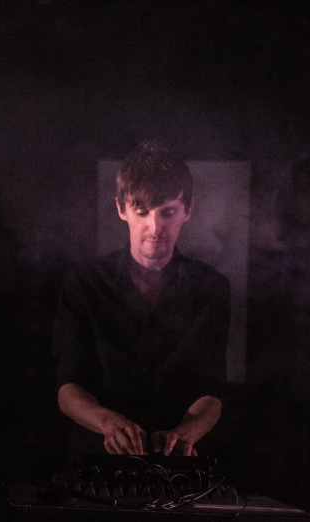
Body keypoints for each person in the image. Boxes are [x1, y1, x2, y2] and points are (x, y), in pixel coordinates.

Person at [51, 139, 231, 465]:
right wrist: (109, 423)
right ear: (121, 209)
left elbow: (211, 392)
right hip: (95, 462)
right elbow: (68, 388)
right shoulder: (84, 282)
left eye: (168, 212)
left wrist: (186, 432)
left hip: (176, 465)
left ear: (187, 210)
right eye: (142, 211)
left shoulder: (211, 288)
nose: (155, 227)